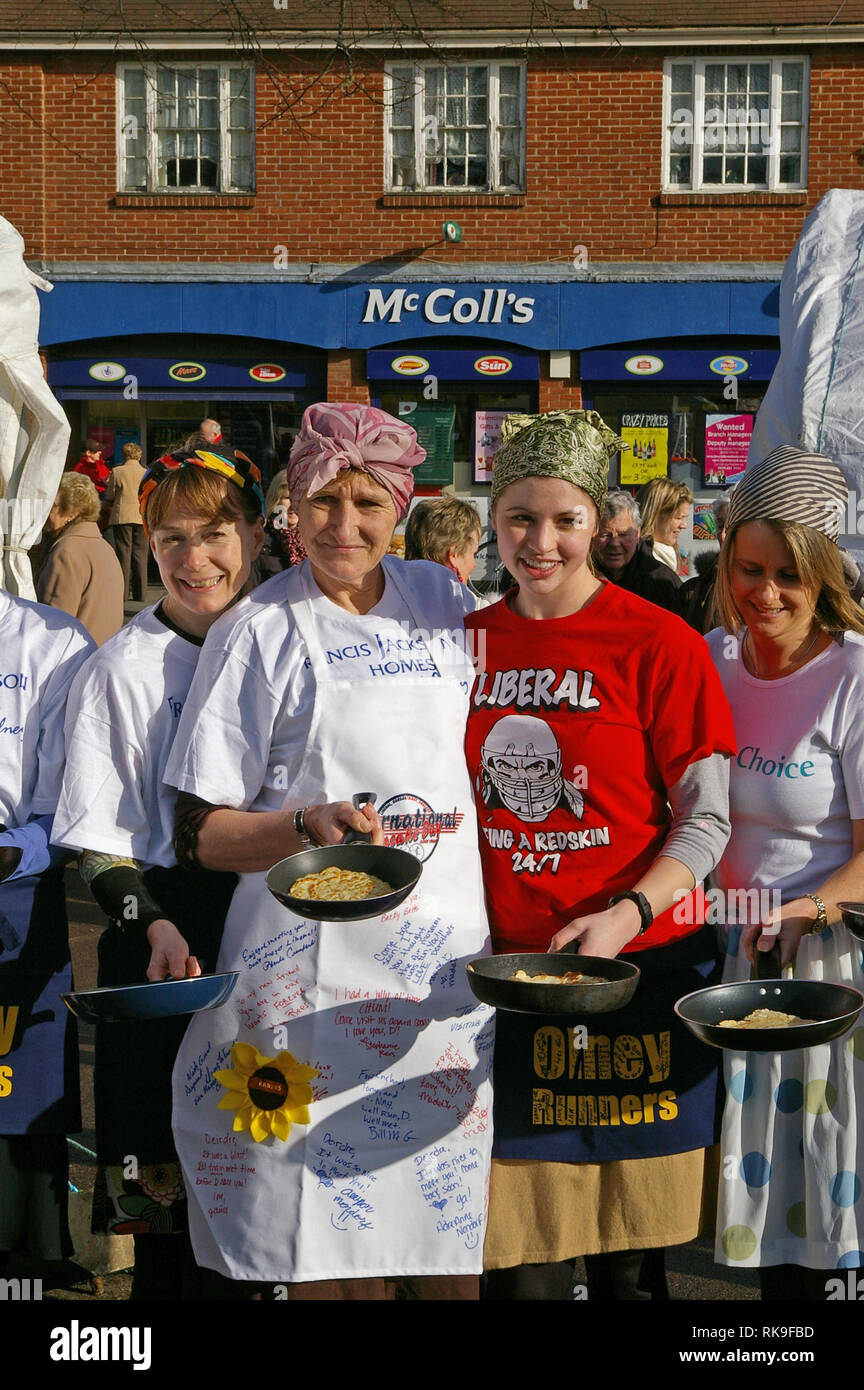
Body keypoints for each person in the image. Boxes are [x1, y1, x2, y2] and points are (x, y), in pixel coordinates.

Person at [166, 402, 493, 1298]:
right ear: (291, 506)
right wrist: (303, 826)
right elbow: (202, 833)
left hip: (442, 974)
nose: (343, 526)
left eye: (366, 504)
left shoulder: (444, 599)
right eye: (322, 501)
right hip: (306, 979)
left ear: (401, 507)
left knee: (438, 1240)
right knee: (323, 1249)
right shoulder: (258, 631)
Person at [462, 409, 736, 1301]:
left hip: (638, 982)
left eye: (565, 520)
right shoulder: (458, 644)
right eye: (520, 518)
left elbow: (706, 823)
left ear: (597, 522)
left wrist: (628, 913)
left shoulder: (659, 642)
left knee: (628, 1269)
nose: (541, 542)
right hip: (507, 987)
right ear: (492, 519)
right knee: (522, 1273)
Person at [50, 446, 266, 1301]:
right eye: (170, 538)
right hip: (162, 946)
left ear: (254, 530)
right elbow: (97, 842)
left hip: (280, 935)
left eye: (214, 532)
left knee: (272, 1206)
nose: (193, 559)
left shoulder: (296, 637)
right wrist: (154, 921)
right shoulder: (119, 671)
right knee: (164, 1215)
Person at [707, 445, 864, 1299]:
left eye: (788, 577)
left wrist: (811, 904)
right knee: (747, 1205)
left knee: (821, 1196)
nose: (764, 596)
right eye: (748, 570)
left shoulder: (854, 676)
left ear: (823, 574)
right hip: (720, 955)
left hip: (818, 966)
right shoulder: (708, 659)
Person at [0, 577, 94, 1280]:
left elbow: (68, 801)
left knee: (19, 1085)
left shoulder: (54, 642)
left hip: (17, 895)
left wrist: (16, 852)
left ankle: (25, 1264)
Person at [36, 472, 124, 645]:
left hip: (69, 661)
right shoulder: (104, 547)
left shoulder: (67, 551)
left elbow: (52, 622)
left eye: (51, 506)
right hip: (97, 655)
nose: (44, 512)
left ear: (72, 511)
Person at [591, 489, 683, 614]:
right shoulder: (577, 578)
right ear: (593, 533)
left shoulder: (662, 582)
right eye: (605, 534)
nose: (614, 543)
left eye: (623, 535)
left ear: (638, 533)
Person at [681, 492, 732, 634]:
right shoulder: (692, 591)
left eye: (731, 526)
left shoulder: (766, 591)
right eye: (721, 526)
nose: (723, 535)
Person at [404, 495, 482, 584]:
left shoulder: (393, 585)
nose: (474, 564)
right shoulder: (451, 595)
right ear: (454, 555)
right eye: (473, 553)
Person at [105, 442, 149, 601]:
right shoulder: (145, 473)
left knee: (123, 555)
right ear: (139, 455)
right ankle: (141, 594)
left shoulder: (117, 472)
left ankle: (123, 593)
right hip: (141, 515)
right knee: (141, 555)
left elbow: (110, 495)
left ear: (124, 454)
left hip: (122, 516)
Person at [637, 477, 693, 575]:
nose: (684, 525)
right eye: (679, 517)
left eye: (685, 518)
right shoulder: (644, 564)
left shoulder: (663, 557)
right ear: (654, 515)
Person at [258, 467, 307, 576]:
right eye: (288, 498)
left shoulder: (312, 538)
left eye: (299, 497)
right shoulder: (260, 540)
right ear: (276, 500)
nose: (294, 504)